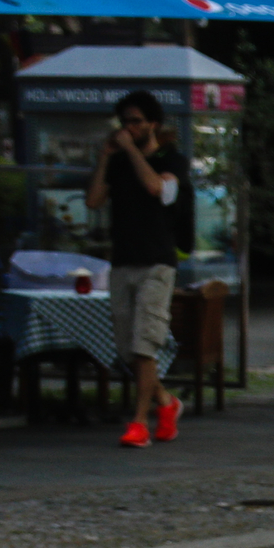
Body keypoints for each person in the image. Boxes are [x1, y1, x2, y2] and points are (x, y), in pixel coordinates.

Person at [87, 89, 188, 448]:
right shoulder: (117, 164)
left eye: (136, 122)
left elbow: (157, 189)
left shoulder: (171, 160)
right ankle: (166, 402)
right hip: (123, 261)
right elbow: (94, 199)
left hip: (156, 263)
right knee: (129, 349)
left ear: (152, 125)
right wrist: (105, 158)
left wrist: (130, 150)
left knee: (145, 344)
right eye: (124, 122)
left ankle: (139, 421)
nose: (128, 128)